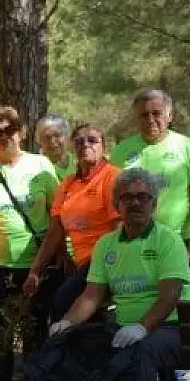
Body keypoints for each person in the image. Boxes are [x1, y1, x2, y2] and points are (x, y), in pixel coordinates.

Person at [43, 167, 190, 381]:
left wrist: (142, 328)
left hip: (167, 329)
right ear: (117, 206)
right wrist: (67, 322)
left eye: (143, 197)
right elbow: (92, 295)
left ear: (154, 203)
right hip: (121, 327)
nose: (135, 203)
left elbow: (169, 296)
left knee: (141, 354)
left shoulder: (169, 241)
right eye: (127, 198)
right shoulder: (107, 245)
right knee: (77, 341)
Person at [110, 88, 190, 381]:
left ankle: (176, 372)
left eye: (157, 113)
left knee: (179, 304)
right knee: (141, 297)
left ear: (170, 114)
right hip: (134, 240)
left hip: (176, 242)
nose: (151, 119)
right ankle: (140, 368)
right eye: (144, 114)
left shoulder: (188, 148)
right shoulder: (123, 150)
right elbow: (115, 198)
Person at [0, 106, 59, 381]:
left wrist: (51, 257)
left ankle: (35, 380)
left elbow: (56, 214)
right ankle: (0, 378)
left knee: (34, 323)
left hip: (34, 262)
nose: (3, 137)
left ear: (20, 133)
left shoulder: (42, 166)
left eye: (8, 131)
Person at [25, 124, 120, 321]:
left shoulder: (112, 177)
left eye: (92, 140)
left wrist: (106, 268)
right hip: (79, 262)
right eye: (79, 142)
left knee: (63, 303)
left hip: (105, 261)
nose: (86, 145)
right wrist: (35, 270)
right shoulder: (68, 183)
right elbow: (55, 231)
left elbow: (119, 229)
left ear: (104, 147)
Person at [37, 114, 76, 179]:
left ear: (68, 136)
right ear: (39, 141)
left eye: (57, 135)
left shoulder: (79, 162)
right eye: (47, 137)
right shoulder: (36, 167)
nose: (52, 141)